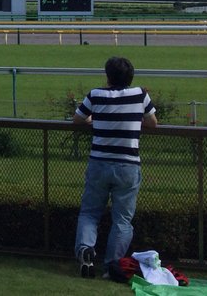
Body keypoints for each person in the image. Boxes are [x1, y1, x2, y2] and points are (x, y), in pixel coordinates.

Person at [73, 56, 157, 278]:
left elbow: (78, 119)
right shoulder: (140, 94)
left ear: (108, 76)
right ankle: (112, 266)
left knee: (90, 213)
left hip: (99, 162)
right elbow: (152, 122)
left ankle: (85, 250)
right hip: (128, 165)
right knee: (122, 220)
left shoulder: (95, 94)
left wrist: (93, 120)